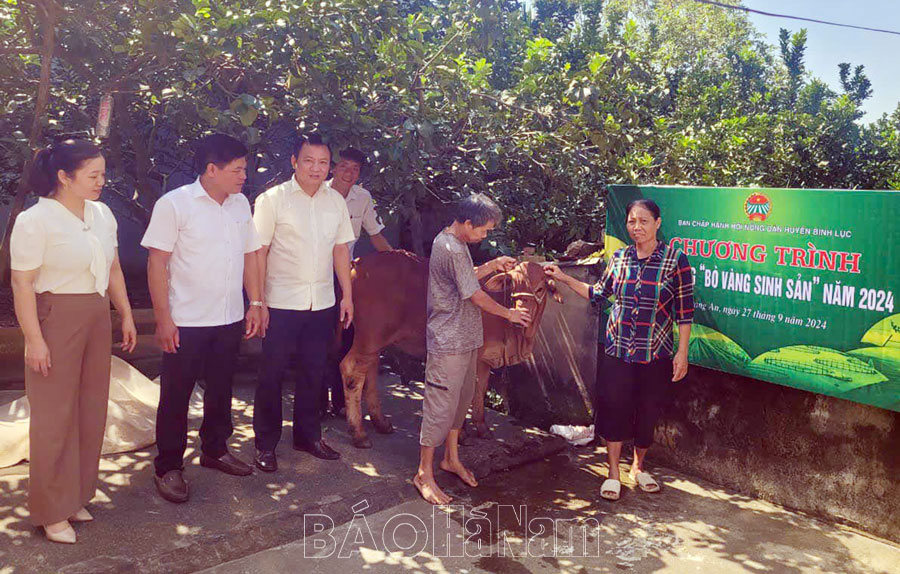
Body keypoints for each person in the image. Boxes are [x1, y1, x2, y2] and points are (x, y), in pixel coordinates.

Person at [10, 139, 137, 543]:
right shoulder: (36, 220)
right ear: (64, 177)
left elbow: (114, 267)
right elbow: (22, 282)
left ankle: (76, 495)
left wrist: (126, 314)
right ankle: (50, 510)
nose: (102, 181)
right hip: (55, 318)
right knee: (53, 416)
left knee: (90, 408)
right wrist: (34, 339)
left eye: (103, 173)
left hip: (96, 314)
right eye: (93, 175)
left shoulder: (102, 214)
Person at [141, 134, 264, 504]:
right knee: (176, 395)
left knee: (222, 388)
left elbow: (252, 253)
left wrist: (256, 302)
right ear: (212, 170)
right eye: (237, 169)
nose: (244, 176)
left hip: (227, 317)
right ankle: (168, 466)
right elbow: (156, 262)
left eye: (244, 168)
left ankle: (214, 449)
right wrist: (164, 319)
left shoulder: (240, 204)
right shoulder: (175, 204)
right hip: (186, 320)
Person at [545, 199, 694, 501]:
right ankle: (613, 472)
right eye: (631, 221)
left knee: (648, 410)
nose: (637, 227)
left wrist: (682, 352)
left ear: (658, 223)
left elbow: (685, 311)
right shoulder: (619, 258)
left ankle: (637, 467)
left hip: (655, 353)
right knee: (614, 408)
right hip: (618, 350)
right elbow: (598, 295)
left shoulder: (675, 261)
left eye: (644, 221)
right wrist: (562, 277)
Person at [414, 193, 531, 505]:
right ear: (466, 223)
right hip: (448, 340)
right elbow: (475, 295)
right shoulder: (449, 247)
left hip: (466, 338)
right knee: (440, 404)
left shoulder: (459, 243)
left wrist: (492, 265)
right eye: (482, 230)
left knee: (461, 401)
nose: (485, 235)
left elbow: (465, 277)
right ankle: (424, 472)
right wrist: (508, 313)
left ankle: (450, 458)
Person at [252, 133, 355, 473]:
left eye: (323, 162)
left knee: (314, 372)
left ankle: (307, 437)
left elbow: (341, 249)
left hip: (322, 302)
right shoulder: (273, 200)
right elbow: (259, 251)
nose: (316, 168)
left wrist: (347, 296)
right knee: (272, 374)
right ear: (294, 162)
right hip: (280, 302)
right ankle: (265, 444)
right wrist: (258, 301)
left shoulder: (335, 201)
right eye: (309, 161)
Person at [321, 147, 393, 417]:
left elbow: (374, 235)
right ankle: (318, 403)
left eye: (355, 169)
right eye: (344, 167)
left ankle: (341, 402)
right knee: (320, 340)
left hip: (346, 277)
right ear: (333, 168)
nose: (349, 173)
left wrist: (398, 262)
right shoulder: (318, 192)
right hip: (315, 276)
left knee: (348, 339)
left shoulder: (363, 197)